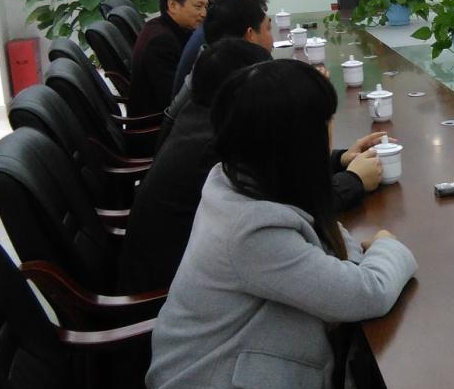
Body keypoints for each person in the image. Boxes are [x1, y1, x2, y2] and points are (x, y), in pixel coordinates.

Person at [143, 59, 416, 389]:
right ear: (298, 143)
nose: (330, 133)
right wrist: (387, 245)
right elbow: (368, 292)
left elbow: (333, 245)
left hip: (237, 369)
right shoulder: (252, 231)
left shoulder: (233, 179)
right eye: (325, 123)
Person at [121, 39, 390, 294]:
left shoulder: (221, 146)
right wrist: (355, 183)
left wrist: (337, 160)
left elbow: (280, 169)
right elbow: (365, 290)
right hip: (157, 290)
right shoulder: (215, 162)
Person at [173, 0, 269, 96]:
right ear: (228, 0)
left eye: (264, 1)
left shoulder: (219, 26)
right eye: (256, 0)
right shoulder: (219, 42)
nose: (264, 8)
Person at [129, 0, 208, 118]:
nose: (204, 13)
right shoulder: (160, 41)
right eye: (198, 6)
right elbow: (172, 97)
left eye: (206, 7)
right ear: (172, 5)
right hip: (157, 124)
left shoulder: (160, 25)